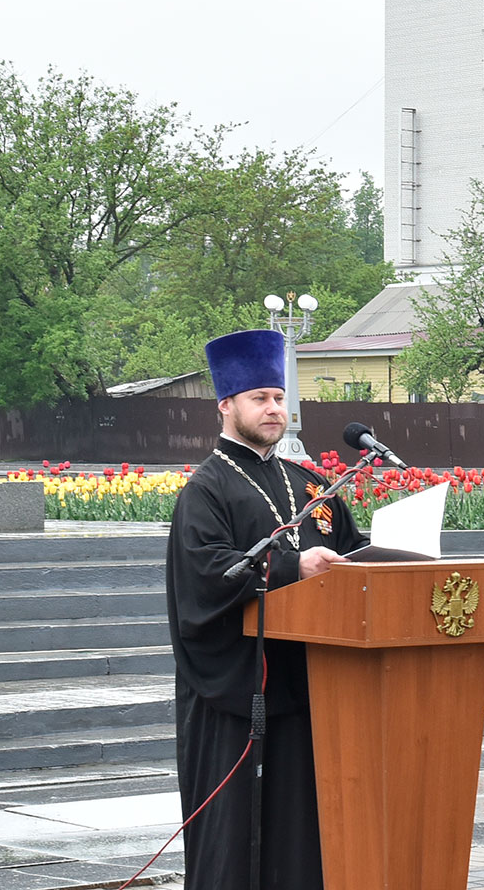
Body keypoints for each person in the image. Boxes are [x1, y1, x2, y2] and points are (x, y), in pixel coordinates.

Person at [166, 328, 367, 889]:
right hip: (237, 695)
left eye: (279, 397)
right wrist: (291, 567)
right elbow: (208, 575)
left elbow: (352, 551)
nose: (274, 408)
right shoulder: (206, 489)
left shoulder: (311, 484)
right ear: (226, 405)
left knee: (303, 836)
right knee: (237, 840)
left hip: (309, 683)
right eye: (260, 398)